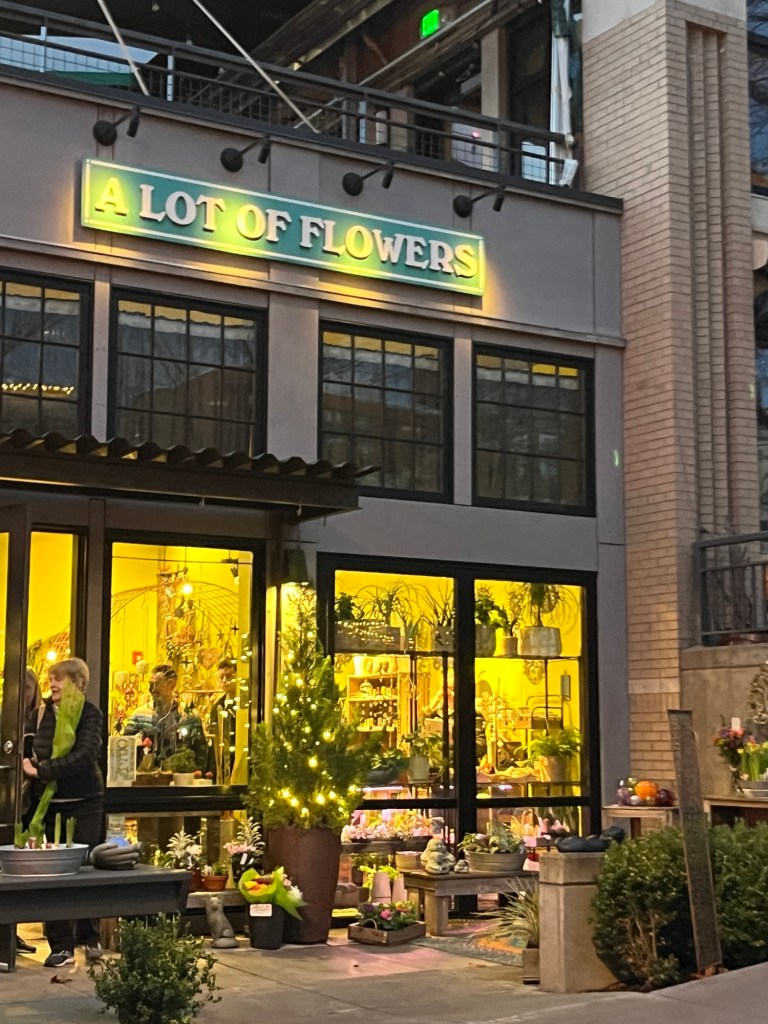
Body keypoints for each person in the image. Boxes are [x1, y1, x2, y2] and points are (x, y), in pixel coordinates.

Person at [22, 657, 104, 969]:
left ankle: (90, 938)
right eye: (51, 679)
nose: (52, 685)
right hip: (48, 807)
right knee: (51, 876)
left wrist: (42, 770)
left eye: (59, 679)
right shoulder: (39, 714)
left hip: (84, 803)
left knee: (84, 871)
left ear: (78, 684)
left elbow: (85, 755)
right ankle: (61, 947)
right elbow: (25, 751)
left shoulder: (90, 714)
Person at [123, 664, 207, 768]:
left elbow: (201, 752)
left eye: (156, 684)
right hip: (147, 776)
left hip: (180, 775)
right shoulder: (139, 715)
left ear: (171, 685)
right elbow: (124, 750)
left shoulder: (189, 716)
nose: (152, 689)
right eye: (150, 684)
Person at [16, 667, 42, 956]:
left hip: (33, 798)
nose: (23, 693)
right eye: (20, 687)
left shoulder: (41, 719)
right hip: (9, 798)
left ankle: (14, 931)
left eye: (28, 688)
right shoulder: (6, 716)